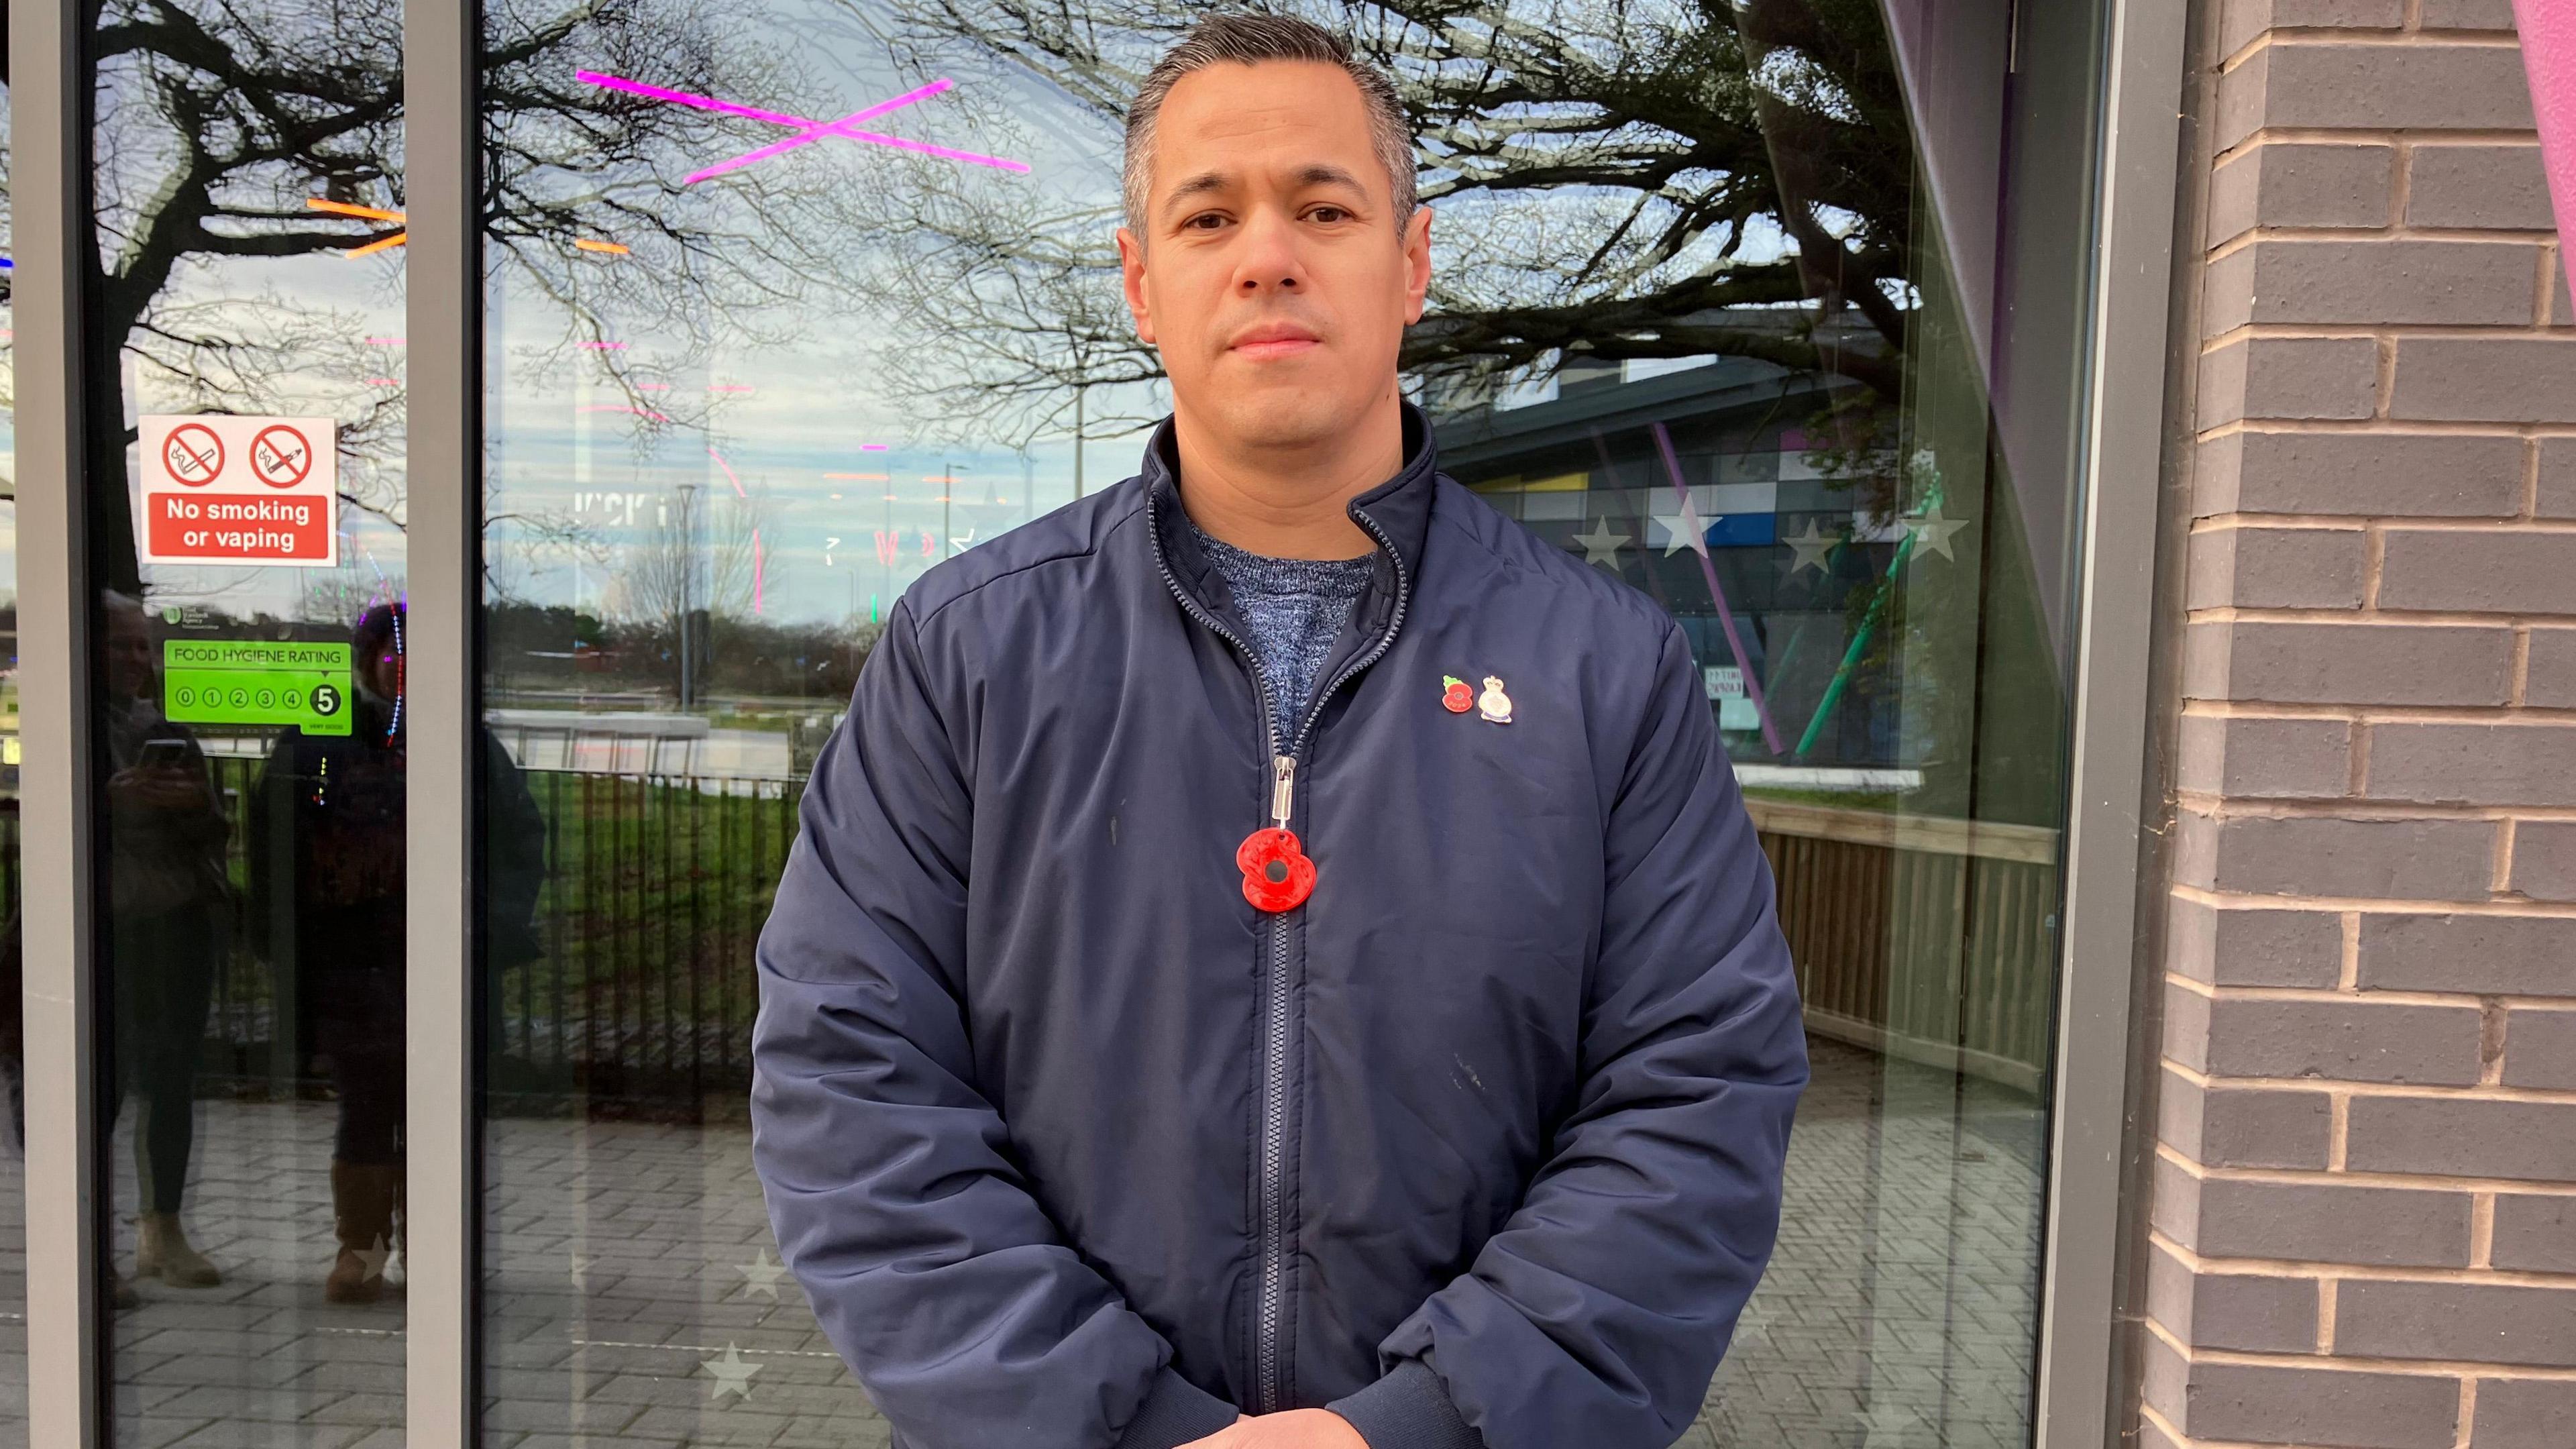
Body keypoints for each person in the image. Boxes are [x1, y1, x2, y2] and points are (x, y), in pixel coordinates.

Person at [751, 15, 1807, 1449]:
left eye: (1324, 207)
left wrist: (1422, 1423)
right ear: (1141, 280)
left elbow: (1696, 1098)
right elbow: (855, 1087)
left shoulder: (1601, 669)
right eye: (1208, 215)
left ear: (1412, 263)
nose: (1268, 255)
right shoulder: (966, 652)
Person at [250, 601, 546, 1303]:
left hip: (445, 961)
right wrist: (285, 938)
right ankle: (361, 1249)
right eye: (392, 653)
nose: (405, 667)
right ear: (367, 660)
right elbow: (274, 849)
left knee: (442, 1111)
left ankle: (434, 1250)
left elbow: (519, 841)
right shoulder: (315, 745)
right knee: (366, 1104)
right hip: (352, 963)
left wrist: (491, 927)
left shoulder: (470, 746)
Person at [99, 591, 233, 1303]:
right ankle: (93, 1244)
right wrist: (108, 800)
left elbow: (216, 836)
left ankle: (163, 1228)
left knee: (173, 1076)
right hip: (102, 929)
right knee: (103, 1082)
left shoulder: (170, 732)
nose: (134, 659)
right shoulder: (66, 726)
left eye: (141, 647)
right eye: (120, 644)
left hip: (176, 925)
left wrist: (194, 807)